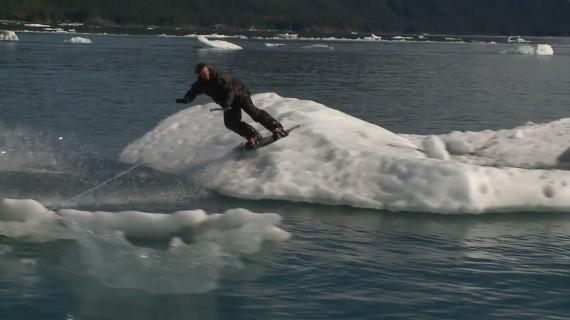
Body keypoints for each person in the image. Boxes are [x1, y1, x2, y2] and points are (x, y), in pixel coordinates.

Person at [176, 63, 286, 148]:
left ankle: (276, 128)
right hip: (227, 103)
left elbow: (230, 91)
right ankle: (253, 136)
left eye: (206, 72)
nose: (205, 75)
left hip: (239, 94)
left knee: (254, 113)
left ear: (208, 69)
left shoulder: (221, 77)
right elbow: (192, 92)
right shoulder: (200, 84)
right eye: (202, 74)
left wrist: (227, 103)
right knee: (230, 123)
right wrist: (186, 99)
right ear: (199, 74)